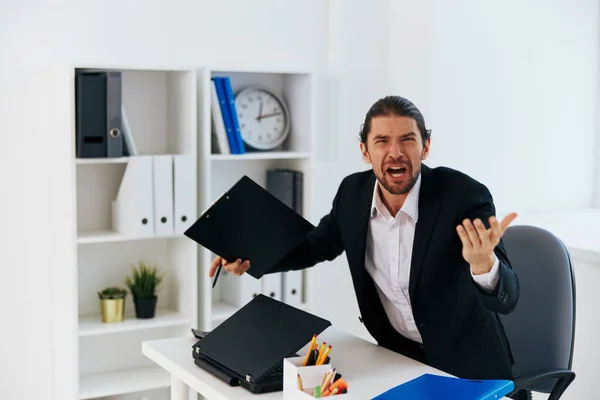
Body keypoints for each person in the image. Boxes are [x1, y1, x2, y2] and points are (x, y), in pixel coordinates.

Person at [209, 95, 520, 383]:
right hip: (396, 360)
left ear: (425, 147)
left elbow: (508, 298)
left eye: (407, 140)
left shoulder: (463, 196)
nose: (395, 152)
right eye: (382, 141)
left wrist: (483, 265)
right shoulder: (352, 195)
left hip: (469, 368)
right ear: (365, 150)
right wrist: (246, 251)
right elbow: (313, 246)